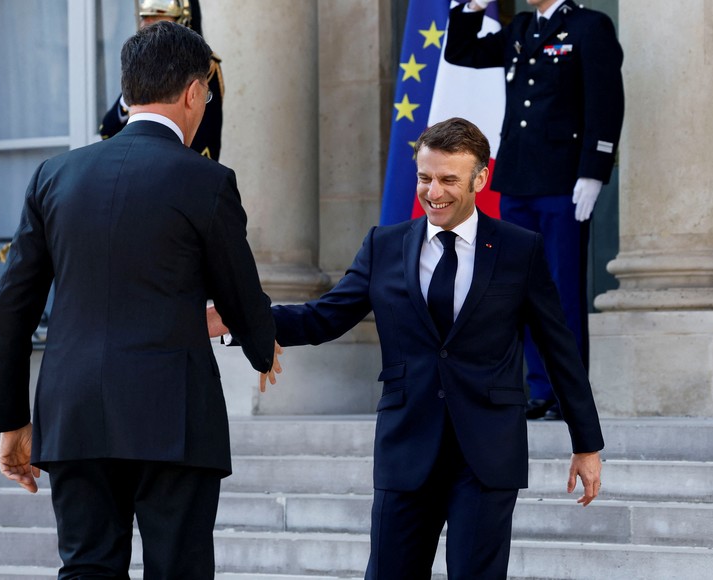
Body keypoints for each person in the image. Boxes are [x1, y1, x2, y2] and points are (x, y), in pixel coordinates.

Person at [209, 118, 604, 579]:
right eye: (424, 177)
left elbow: (560, 350)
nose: (433, 192)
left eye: (448, 179)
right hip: (407, 444)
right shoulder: (384, 245)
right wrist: (241, 319)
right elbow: (326, 316)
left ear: (481, 178)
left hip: (487, 452)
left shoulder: (520, 250)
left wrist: (586, 444)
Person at [0, 21, 277, 579]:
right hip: (174, 416)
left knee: (87, 568)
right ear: (194, 93)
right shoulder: (206, 180)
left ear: (126, 93)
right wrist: (261, 347)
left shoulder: (54, 175)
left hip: (73, 415)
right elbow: (241, 292)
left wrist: (11, 419)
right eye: (207, 95)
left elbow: (9, 310)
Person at [444, 0, 625, 420]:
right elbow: (462, 52)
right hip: (518, 180)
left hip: (563, 181)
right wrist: (472, 5)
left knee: (561, 291)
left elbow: (605, 100)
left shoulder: (588, 26)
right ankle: (540, 389)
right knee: (523, 291)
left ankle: (568, 393)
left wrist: (594, 170)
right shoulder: (523, 27)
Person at [99, 0, 225, 161]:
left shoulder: (205, 67)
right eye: (145, 18)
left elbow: (206, 139)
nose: (146, 24)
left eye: (157, 17)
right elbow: (109, 129)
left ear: (181, 21)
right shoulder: (142, 61)